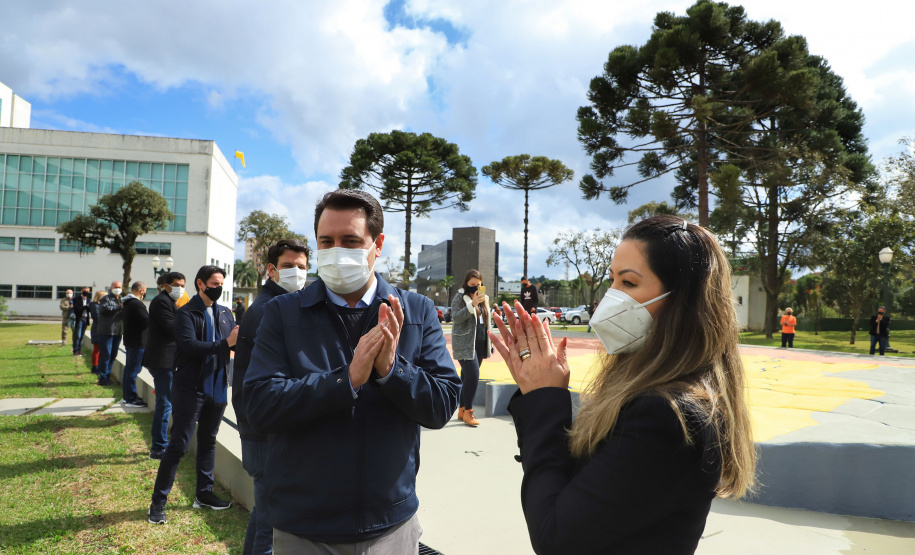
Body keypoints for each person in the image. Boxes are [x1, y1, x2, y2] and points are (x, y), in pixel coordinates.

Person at [489, 216, 757, 554]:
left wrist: (544, 400)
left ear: (682, 302)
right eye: (612, 280)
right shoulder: (649, 391)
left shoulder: (666, 415)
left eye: (628, 283)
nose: (611, 297)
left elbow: (555, 538)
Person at [244, 189, 460, 553]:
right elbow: (260, 405)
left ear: (377, 245)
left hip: (390, 525)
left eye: (350, 241)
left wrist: (392, 370)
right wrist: (345, 380)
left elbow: (441, 405)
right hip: (304, 527)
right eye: (326, 242)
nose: (337, 251)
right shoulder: (282, 313)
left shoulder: (417, 311)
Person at [234, 239, 309, 555]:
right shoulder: (271, 309)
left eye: (302, 267)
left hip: (261, 424)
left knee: (264, 513)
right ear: (271, 270)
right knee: (271, 524)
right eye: (288, 266)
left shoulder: (276, 304)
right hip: (266, 430)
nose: (296, 272)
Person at [148, 265, 238, 525]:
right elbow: (190, 347)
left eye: (221, 283)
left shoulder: (225, 313)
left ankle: (204, 494)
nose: (219, 288)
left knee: (208, 441)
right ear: (200, 284)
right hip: (190, 388)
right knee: (178, 445)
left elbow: (234, 346)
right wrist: (226, 344)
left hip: (218, 387)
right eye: (214, 283)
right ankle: (158, 503)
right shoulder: (186, 313)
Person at [143, 272, 186, 459]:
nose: (180, 288)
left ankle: (165, 443)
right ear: (166, 285)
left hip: (168, 360)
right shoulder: (162, 302)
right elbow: (172, 328)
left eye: (182, 285)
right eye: (176, 285)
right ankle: (159, 447)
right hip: (163, 361)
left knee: (168, 402)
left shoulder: (170, 302)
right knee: (165, 403)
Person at [451, 269, 492, 427]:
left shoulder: (484, 298)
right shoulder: (460, 297)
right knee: (473, 375)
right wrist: (472, 305)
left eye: (478, 284)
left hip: (480, 342)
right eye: (472, 284)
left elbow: (487, 321)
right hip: (464, 343)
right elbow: (456, 317)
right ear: (466, 283)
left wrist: (490, 342)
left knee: (466, 376)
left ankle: (462, 410)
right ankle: (469, 411)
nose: (475, 287)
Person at [121, 281, 149, 408]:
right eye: (145, 290)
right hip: (137, 341)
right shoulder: (136, 304)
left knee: (129, 369)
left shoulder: (127, 303)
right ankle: (131, 399)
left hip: (130, 340)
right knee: (133, 370)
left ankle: (127, 396)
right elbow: (146, 321)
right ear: (141, 290)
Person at [96, 282, 124, 386]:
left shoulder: (121, 299)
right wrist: (119, 307)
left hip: (118, 331)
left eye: (119, 287)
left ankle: (107, 375)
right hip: (106, 331)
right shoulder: (106, 299)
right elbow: (104, 310)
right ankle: (103, 378)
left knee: (113, 355)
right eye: (116, 287)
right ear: (111, 288)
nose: (118, 289)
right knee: (106, 355)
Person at [88, 290, 106, 374]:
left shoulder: (100, 305)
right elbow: (97, 318)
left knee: (101, 350)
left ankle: (98, 366)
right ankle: (95, 367)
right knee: (97, 349)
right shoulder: (95, 306)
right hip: (97, 330)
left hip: (102, 330)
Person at [72, 287, 91, 356]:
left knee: (82, 336)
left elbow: (89, 310)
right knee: (78, 335)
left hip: (86, 318)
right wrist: (85, 306)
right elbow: (77, 309)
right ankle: (75, 350)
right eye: (85, 290)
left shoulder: (88, 299)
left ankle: (79, 350)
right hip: (79, 318)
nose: (86, 292)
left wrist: (89, 307)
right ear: (81, 291)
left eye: (88, 291)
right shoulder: (76, 299)